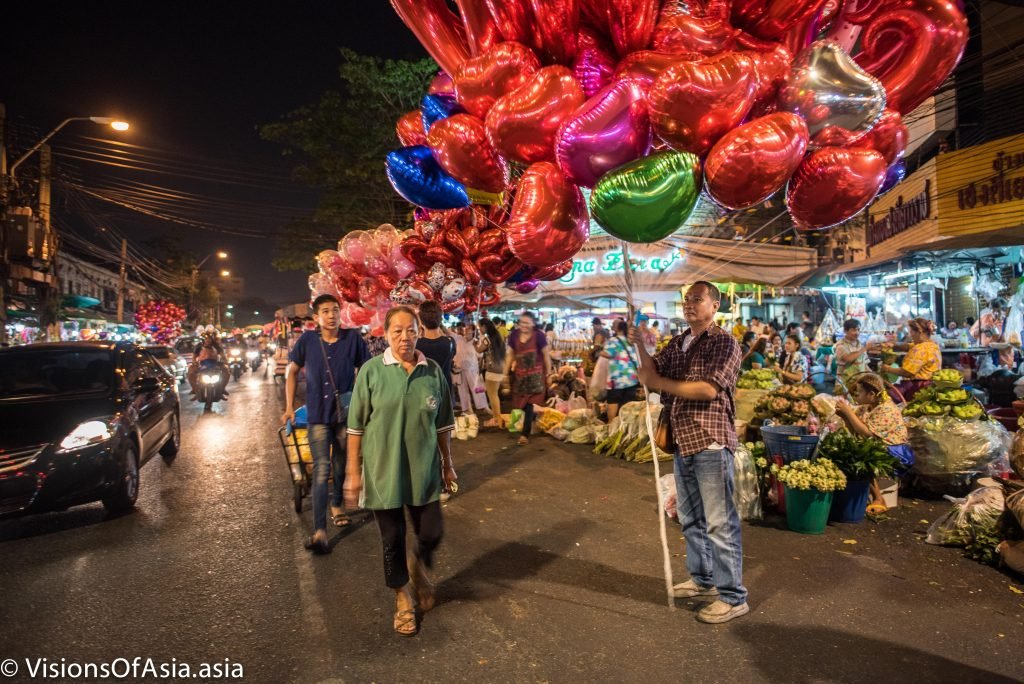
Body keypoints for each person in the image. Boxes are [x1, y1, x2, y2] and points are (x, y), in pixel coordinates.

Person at [629, 281, 748, 624]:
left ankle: (733, 596)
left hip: (709, 440)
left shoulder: (724, 342)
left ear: (715, 305)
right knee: (692, 519)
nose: (690, 304)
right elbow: (652, 375)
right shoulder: (679, 342)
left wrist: (663, 385)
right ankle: (703, 581)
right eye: (687, 299)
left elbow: (708, 389)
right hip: (682, 441)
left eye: (698, 299)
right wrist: (641, 348)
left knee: (719, 523)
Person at [344, 306, 456, 637]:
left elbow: (444, 425)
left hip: (424, 470)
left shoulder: (433, 371)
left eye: (411, 330)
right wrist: (353, 472)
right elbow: (355, 428)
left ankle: (418, 568)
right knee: (392, 538)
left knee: (431, 532)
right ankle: (402, 597)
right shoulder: (371, 372)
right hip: (382, 471)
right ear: (385, 334)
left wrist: (448, 464)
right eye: (397, 331)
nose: (405, 337)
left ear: (419, 332)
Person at [282, 294, 370, 552]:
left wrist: (368, 402)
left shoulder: (353, 338)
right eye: (325, 311)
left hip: (345, 415)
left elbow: (366, 371)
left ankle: (337, 503)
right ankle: (320, 529)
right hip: (318, 416)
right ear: (316, 318)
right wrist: (288, 407)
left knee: (341, 464)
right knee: (321, 468)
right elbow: (292, 370)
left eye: (335, 310)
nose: (331, 315)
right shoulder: (307, 341)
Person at [835, 373, 913, 514]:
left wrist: (849, 412)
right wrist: (845, 417)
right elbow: (855, 432)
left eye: (859, 393)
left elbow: (867, 433)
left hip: (894, 450)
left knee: (860, 454)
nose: (856, 396)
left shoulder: (887, 409)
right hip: (875, 445)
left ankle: (879, 498)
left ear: (871, 394)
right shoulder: (866, 407)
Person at [504, 311, 552, 446]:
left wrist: (548, 374)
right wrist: (505, 373)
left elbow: (546, 355)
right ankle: (532, 420)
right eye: (521, 322)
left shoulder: (539, 336)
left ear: (533, 323)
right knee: (521, 404)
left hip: (536, 376)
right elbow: (510, 355)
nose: (523, 325)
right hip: (520, 376)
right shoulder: (513, 335)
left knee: (530, 404)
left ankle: (525, 434)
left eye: (527, 322)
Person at [880, 317, 941, 400]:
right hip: (931, 385)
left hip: (919, 387)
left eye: (911, 331)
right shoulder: (931, 344)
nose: (910, 334)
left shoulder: (920, 349)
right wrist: (894, 345)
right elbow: (908, 346)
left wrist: (887, 368)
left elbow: (907, 372)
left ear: (920, 332)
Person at [600, 319, 641, 422]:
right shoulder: (630, 341)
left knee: (613, 405)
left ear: (617, 328)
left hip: (617, 380)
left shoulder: (613, 340)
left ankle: (612, 426)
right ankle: (625, 429)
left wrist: (599, 351)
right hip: (631, 379)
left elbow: (607, 354)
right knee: (628, 408)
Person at [415, 301, 456, 391]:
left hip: (424, 391)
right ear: (440, 319)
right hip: (445, 391)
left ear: (421, 321)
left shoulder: (416, 345)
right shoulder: (450, 342)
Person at [476, 318, 506, 429]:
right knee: (495, 394)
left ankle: (496, 419)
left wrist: (475, 343)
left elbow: (479, 350)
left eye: (480, 327)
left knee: (492, 395)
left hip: (492, 369)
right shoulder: (498, 337)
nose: (479, 330)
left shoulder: (487, 340)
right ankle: (497, 418)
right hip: (500, 368)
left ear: (485, 326)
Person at [834, 319, 870, 389]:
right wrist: (864, 349)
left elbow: (864, 364)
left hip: (859, 383)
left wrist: (873, 375)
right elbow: (848, 358)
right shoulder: (840, 345)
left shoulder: (860, 345)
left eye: (858, 330)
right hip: (844, 384)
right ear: (845, 331)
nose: (857, 333)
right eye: (853, 330)